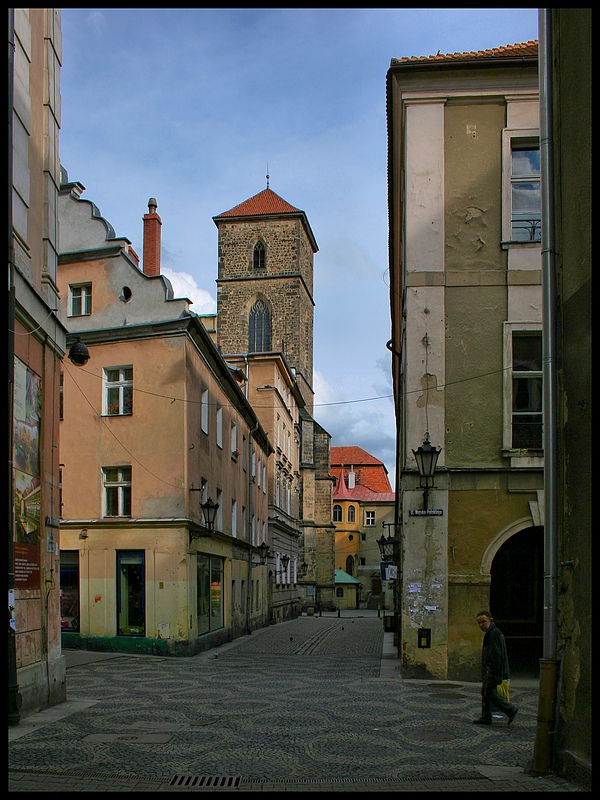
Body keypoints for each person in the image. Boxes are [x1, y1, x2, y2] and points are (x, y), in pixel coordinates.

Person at [473, 610, 518, 726]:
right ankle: (486, 717)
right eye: (479, 623)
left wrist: (491, 671)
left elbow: (495, 655)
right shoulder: (494, 632)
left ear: (490, 621)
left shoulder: (493, 634)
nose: (481, 625)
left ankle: (510, 709)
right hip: (493, 670)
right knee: (486, 692)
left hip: (493, 671)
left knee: (488, 693)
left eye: (483, 622)